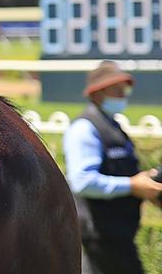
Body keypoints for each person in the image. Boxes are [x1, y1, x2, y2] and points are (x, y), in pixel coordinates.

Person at [64, 60, 162, 274]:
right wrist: (132, 186)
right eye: (116, 89)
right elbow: (82, 182)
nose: (123, 94)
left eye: (124, 89)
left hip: (117, 234)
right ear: (98, 92)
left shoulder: (113, 126)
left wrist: (146, 186)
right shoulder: (84, 129)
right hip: (101, 234)